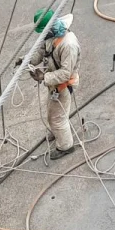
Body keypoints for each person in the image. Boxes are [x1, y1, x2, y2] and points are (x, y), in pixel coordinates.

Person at [17, 9, 81, 160]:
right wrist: (26, 60)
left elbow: (65, 73)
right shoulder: (51, 36)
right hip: (55, 84)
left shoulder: (68, 45)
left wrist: (43, 77)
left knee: (57, 117)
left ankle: (66, 146)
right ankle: (57, 131)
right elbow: (41, 51)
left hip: (65, 85)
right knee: (53, 112)